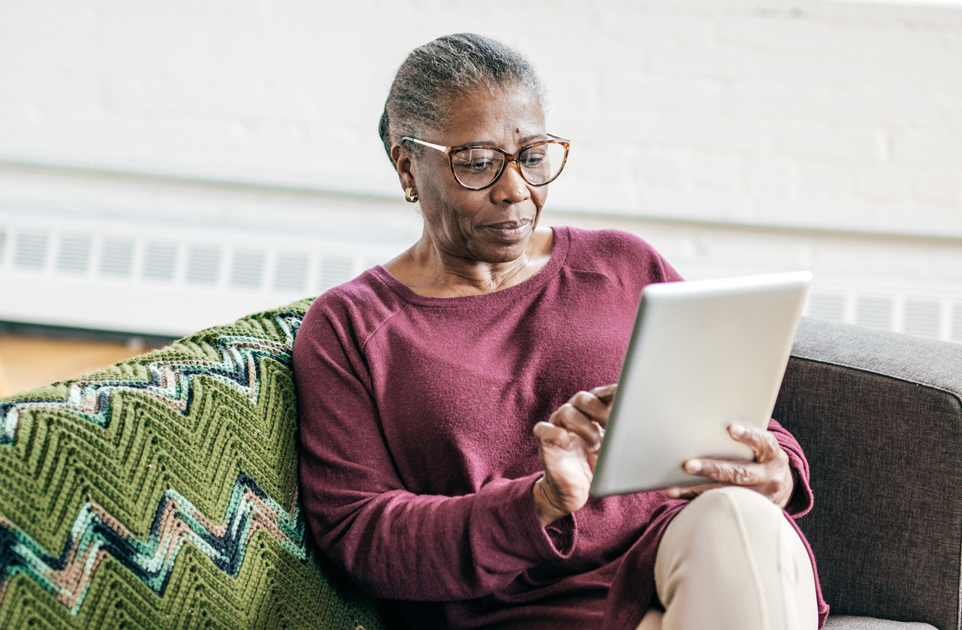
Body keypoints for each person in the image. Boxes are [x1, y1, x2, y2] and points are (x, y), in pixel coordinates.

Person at [293, 33, 828, 630]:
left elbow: (746, 423)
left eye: (533, 156)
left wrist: (776, 468)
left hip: (690, 564)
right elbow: (360, 534)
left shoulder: (624, 266)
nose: (516, 190)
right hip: (532, 613)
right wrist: (540, 502)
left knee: (741, 518)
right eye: (477, 163)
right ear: (407, 166)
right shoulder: (351, 327)